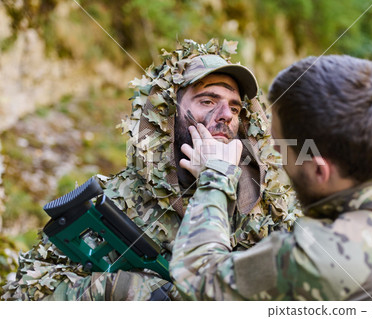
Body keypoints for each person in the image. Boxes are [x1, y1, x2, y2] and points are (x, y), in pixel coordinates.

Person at [1, 39, 298, 301]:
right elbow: (24, 296)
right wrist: (127, 291)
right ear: (168, 115)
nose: (225, 117)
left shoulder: (266, 209)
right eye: (208, 101)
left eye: (234, 108)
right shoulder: (118, 200)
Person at [170, 55, 372, 300]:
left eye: (281, 149)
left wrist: (216, 175)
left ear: (319, 171)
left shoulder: (319, 258)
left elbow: (197, 278)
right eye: (207, 100)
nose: (274, 155)